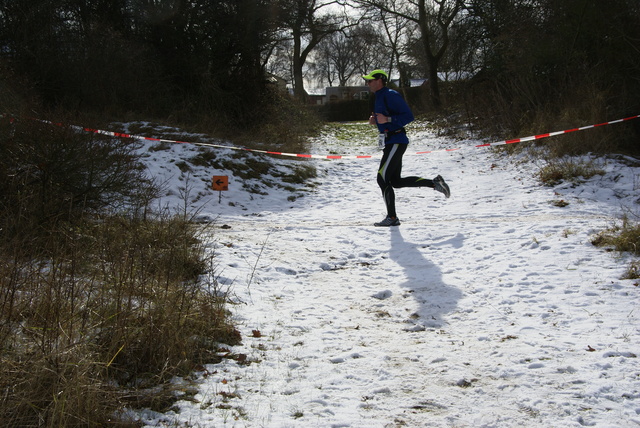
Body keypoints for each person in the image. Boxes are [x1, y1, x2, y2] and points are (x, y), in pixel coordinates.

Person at [363, 69, 450, 227]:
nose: (368, 83)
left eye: (370, 80)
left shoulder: (391, 94)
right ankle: (434, 183)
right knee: (395, 181)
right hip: (389, 141)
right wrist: (375, 120)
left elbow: (408, 117)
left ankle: (392, 218)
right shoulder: (378, 97)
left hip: (397, 140)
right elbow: (384, 118)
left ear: (380, 80)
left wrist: (387, 119)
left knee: (382, 178)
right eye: (367, 81)